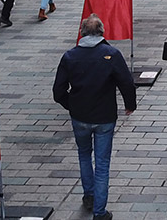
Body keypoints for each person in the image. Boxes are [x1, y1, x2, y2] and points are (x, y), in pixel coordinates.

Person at [52, 13, 136, 219]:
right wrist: (129, 105)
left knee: (83, 155)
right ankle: (100, 211)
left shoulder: (70, 56)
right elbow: (126, 83)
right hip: (104, 117)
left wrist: (71, 105)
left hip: (79, 116)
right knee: (102, 163)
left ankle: (89, 195)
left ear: (82, 33)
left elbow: (58, 91)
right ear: (102, 32)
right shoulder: (111, 54)